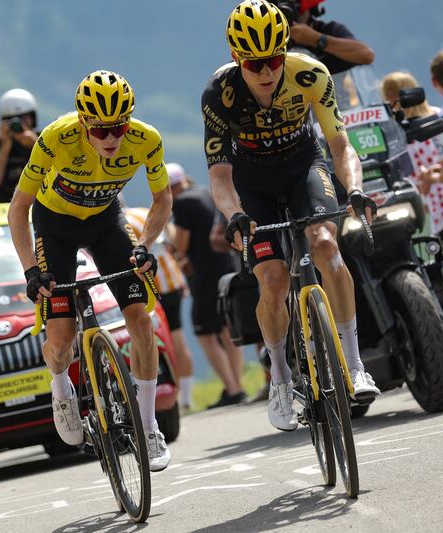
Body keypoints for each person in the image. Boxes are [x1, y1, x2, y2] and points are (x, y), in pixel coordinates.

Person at [205, 0, 380, 431]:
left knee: (325, 245)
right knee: (272, 279)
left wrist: (355, 189)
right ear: (236, 57)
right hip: (252, 182)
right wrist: (234, 214)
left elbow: (340, 146)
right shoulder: (219, 93)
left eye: (275, 59)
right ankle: (281, 379)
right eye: (254, 63)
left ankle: (355, 365)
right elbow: (220, 176)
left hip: (303, 166)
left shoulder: (310, 73)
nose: (266, 71)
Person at [8, 70, 173, 471]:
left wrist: (146, 246)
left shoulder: (147, 139)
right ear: (83, 123)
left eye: (119, 127)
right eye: (100, 130)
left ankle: (148, 425)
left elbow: (162, 199)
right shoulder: (56, 138)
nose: (111, 138)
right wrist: (31, 271)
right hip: (55, 227)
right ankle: (60, 387)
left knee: (141, 321)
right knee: (61, 339)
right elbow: (18, 209)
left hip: (105, 222)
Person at [170, 165, 246, 408]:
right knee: (226, 328)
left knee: (204, 333)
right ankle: (238, 386)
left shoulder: (182, 203)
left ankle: (232, 388)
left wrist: (172, 248)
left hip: (203, 273)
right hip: (225, 265)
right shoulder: (204, 191)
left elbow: (181, 245)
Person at [125, 200, 194, 411]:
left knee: (155, 339)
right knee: (177, 335)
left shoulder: (125, 223)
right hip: (173, 277)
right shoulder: (144, 211)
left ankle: (168, 394)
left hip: (154, 284)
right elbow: (170, 236)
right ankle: (186, 398)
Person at [381, 71, 443, 235]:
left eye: (391, 94)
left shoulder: (437, 119)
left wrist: (431, 177)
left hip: (432, 200)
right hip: (430, 207)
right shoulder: (397, 132)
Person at [278, 0, 374, 75]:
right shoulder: (272, 34)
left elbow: (366, 55)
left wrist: (316, 39)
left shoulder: (327, 30)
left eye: (295, 5)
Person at [0, 88, 40, 203]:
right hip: (4, 204)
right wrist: (5, 147)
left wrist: (35, 145)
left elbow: (56, 170)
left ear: (32, 118)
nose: (19, 124)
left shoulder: (43, 139)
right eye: (12, 120)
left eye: (24, 118)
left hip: (38, 202)